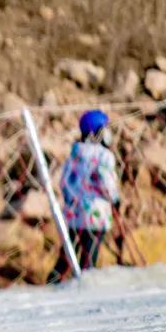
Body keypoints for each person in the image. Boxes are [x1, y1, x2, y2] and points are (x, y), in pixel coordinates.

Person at [50, 110, 120, 281]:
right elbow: (107, 184)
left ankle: (52, 285)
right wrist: (115, 199)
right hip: (96, 216)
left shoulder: (74, 154)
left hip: (73, 215)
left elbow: (64, 183)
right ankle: (83, 294)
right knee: (89, 259)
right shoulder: (104, 156)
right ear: (96, 132)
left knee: (67, 256)